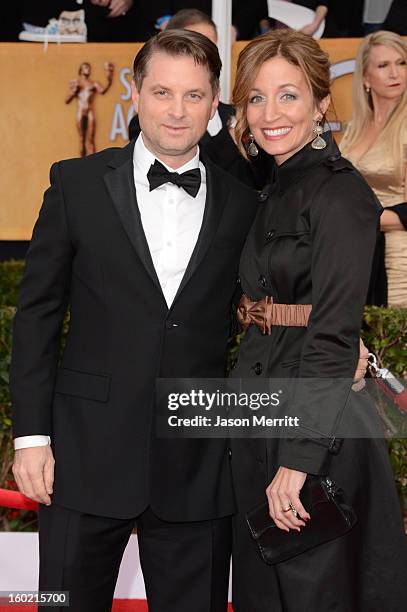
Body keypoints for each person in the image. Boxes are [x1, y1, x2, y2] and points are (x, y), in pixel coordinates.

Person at [10, 29, 260, 612]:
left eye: (194, 96)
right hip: (81, 458)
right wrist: (31, 438)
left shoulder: (244, 203)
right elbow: (37, 317)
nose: (177, 111)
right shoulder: (75, 185)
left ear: (214, 100)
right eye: (163, 92)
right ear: (137, 91)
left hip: (197, 465)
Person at [228, 29, 407, 611]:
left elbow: (333, 332)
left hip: (315, 434)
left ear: (320, 104)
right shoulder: (273, 185)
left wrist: (297, 461)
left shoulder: (339, 195)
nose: (270, 113)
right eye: (256, 98)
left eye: (288, 95)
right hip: (260, 414)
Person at [341, 31, 407, 306]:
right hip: (356, 255)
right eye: (383, 66)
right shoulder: (354, 129)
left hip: (398, 260)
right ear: (366, 78)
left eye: (401, 63)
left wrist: (359, 221)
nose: (395, 73)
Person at [128, 9, 235, 146]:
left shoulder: (235, 116)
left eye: (211, 47)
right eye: (163, 93)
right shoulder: (142, 124)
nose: (177, 113)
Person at [65, 61, 114, 157]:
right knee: (81, 139)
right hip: (81, 111)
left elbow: (103, 91)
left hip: (89, 111)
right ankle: (81, 164)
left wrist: (110, 79)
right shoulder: (77, 83)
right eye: (85, 67)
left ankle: (92, 164)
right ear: (81, 70)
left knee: (91, 139)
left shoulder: (93, 84)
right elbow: (67, 100)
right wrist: (73, 92)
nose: (88, 69)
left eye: (88, 68)